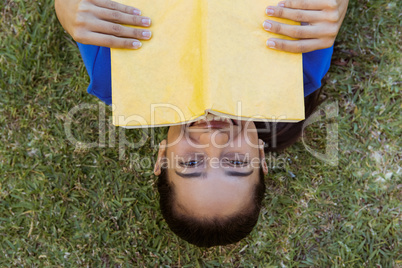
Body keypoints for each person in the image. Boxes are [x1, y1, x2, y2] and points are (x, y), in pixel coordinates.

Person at [55, 0, 349, 247]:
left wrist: (66, 9)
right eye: (235, 162)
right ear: (259, 156)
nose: (213, 140)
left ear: (162, 158)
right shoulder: (298, 74)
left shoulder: (116, 78)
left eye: (192, 163)